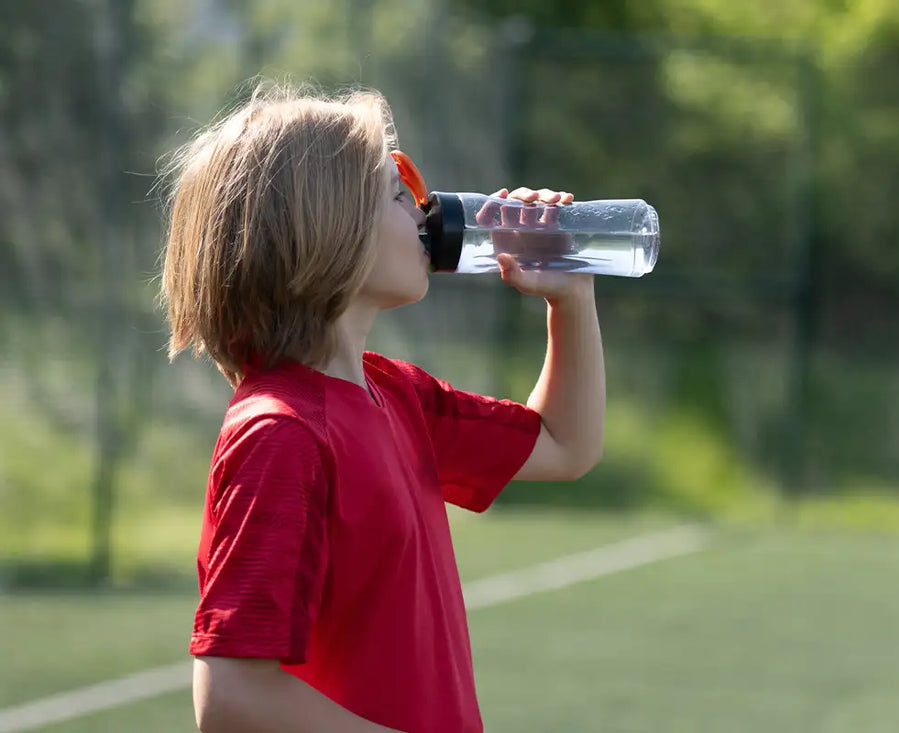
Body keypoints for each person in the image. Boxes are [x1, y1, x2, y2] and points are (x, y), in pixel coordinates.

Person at [158, 84, 605, 733]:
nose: (426, 209)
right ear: (327, 229)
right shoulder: (280, 432)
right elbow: (231, 697)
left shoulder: (394, 394)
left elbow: (567, 444)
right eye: (397, 191)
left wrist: (571, 298)